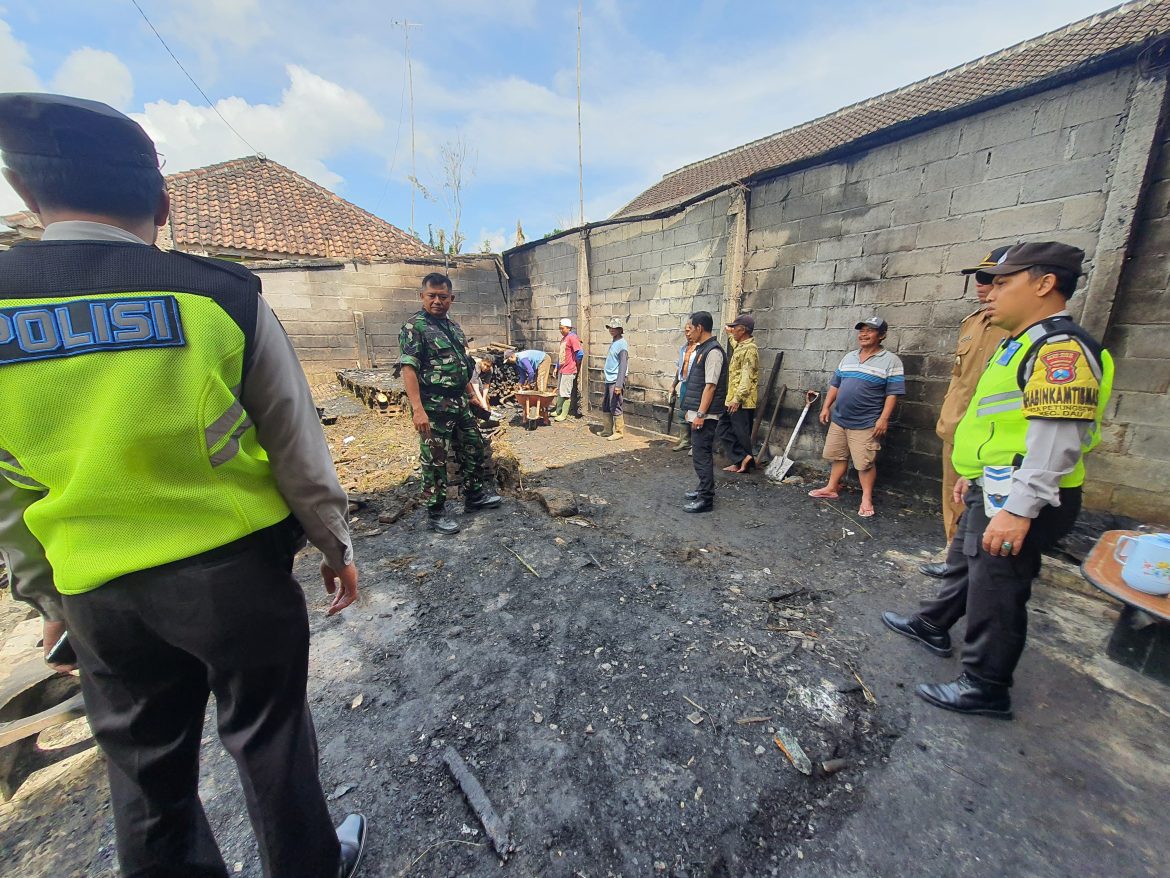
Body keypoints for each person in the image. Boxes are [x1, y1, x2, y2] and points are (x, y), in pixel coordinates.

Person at [0, 93, 366, 877]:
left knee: (146, 777)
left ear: (24, 192)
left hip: (96, 586)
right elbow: (296, 442)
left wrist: (44, 598)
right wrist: (335, 543)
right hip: (233, 579)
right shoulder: (220, 295)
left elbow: (7, 487)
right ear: (164, 204)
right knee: (271, 746)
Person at [882, 242, 1112, 719]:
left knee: (999, 589)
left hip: (1023, 497)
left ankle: (985, 685)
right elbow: (999, 424)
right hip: (996, 484)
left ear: (1045, 284)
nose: (989, 293)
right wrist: (976, 476)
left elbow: (1056, 441)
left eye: (1004, 283)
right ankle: (933, 624)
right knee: (967, 566)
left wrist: (1017, 510)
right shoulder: (1020, 342)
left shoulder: (1058, 349)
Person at [920, 247, 1012, 578]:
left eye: (990, 278)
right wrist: (948, 416)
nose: (981, 284)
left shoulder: (1022, 330)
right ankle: (952, 554)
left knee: (986, 503)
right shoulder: (971, 323)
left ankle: (981, 565)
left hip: (997, 438)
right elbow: (958, 377)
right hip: (958, 426)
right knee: (952, 492)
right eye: (980, 277)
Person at [399, 273, 502, 535]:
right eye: (431, 296)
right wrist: (418, 409)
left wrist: (471, 395)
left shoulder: (454, 328)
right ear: (422, 296)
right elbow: (408, 369)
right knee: (435, 460)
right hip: (433, 406)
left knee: (473, 447)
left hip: (459, 401)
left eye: (442, 297)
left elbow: (462, 366)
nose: (436, 301)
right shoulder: (415, 327)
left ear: (451, 299)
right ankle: (435, 513)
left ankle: (474, 497)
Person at [808, 316, 905, 518]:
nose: (864, 334)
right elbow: (836, 384)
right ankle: (831, 487)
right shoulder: (849, 357)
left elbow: (892, 393)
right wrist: (826, 407)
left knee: (864, 463)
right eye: (862, 331)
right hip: (840, 418)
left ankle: (866, 498)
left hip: (866, 422)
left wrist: (883, 418)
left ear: (882, 335)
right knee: (838, 455)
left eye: (870, 331)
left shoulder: (891, 361)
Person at [681, 311, 728, 513]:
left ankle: (706, 500)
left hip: (706, 415)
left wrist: (699, 415)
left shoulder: (714, 352)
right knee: (699, 455)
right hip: (699, 412)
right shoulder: (703, 349)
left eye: (690, 329)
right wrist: (691, 411)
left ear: (700, 328)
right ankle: (702, 489)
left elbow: (710, 386)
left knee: (702, 456)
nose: (688, 333)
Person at [717, 314, 760, 473]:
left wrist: (737, 399)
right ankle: (742, 459)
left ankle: (744, 463)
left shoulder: (750, 349)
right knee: (724, 428)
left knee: (740, 433)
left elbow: (747, 377)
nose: (733, 330)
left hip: (741, 401)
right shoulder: (742, 345)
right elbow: (735, 343)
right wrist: (729, 333)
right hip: (733, 398)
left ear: (742, 330)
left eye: (735, 328)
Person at [671, 319, 699, 452]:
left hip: (696, 385)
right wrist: (673, 385)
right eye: (685, 331)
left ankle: (696, 445)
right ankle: (685, 441)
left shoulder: (700, 349)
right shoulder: (683, 349)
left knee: (694, 414)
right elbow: (680, 368)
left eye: (689, 331)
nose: (687, 334)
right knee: (682, 414)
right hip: (684, 384)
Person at [601, 317, 629, 440]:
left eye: (614, 328)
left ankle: (619, 431)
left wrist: (619, 384)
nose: (611, 330)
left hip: (615, 380)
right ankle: (607, 429)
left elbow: (623, 365)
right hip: (609, 379)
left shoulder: (622, 344)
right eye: (610, 328)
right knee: (606, 404)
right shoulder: (615, 342)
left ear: (620, 329)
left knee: (616, 404)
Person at [553, 317, 583, 421]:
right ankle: (558, 410)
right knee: (561, 391)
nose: (561, 330)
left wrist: (576, 364)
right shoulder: (563, 339)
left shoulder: (572, 338)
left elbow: (580, 353)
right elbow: (561, 355)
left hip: (569, 369)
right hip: (562, 369)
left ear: (569, 328)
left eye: (562, 328)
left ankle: (563, 414)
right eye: (560, 328)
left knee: (565, 392)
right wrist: (556, 367)